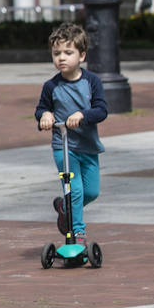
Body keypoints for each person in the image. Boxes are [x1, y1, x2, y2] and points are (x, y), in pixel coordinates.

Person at [35, 22, 108, 247]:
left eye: (68, 52)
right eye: (57, 54)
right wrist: (45, 116)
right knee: (74, 190)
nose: (62, 58)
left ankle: (63, 208)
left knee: (91, 192)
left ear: (82, 55)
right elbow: (40, 110)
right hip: (63, 147)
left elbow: (101, 110)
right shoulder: (51, 86)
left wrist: (82, 115)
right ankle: (78, 234)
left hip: (88, 146)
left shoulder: (91, 82)